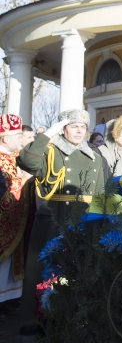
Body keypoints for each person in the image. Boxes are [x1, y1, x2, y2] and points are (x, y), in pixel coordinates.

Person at [17, 110, 106, 331]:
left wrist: (106, 220)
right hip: (55, 216)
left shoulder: (95, 155)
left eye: (83, 127)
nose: (79, 130)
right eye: (73, 125)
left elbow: (102, 191)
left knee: (81, 267)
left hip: (85, 217)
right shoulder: (50, 151)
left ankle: (78, 317)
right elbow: (26, 160)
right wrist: (48, 134)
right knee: (43, 269)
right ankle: (37, 317)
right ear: (63, 129)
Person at [0, 116, 33, 310]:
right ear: (5, 139)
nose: (21, 139)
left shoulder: (15, 157)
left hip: (18, 219)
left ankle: (10, 298)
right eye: (17, 135)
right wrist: (24, 180)